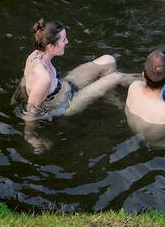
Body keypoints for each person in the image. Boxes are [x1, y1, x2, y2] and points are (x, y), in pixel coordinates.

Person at [12, 19, 134, 149]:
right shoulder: (44, 78)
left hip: (63, 87)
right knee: (117, 77)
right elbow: (31, 109)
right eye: (63, 39)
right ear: (51, 47)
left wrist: (16, 97)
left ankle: (109, 96)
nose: (67, 42)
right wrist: (29, 135)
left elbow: (25, 82)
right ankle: (150, 80)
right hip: (65, 105)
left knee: (109, 60)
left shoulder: (35, 54)